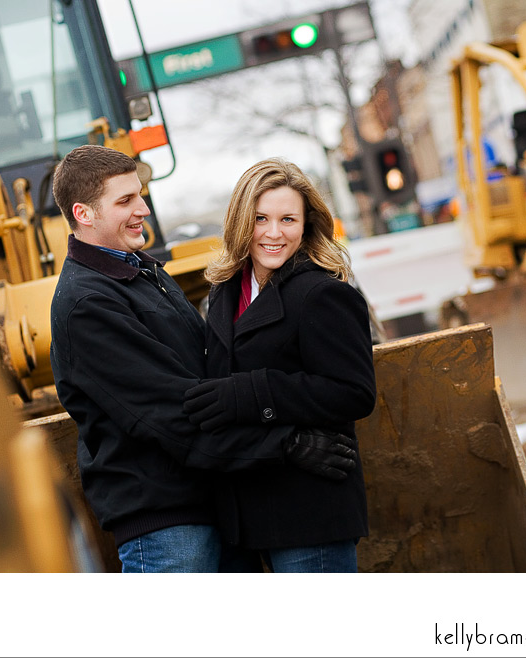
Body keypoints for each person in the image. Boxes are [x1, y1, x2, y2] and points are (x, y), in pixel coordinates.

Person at [48, 145, 358, 573]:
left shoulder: (143, 274)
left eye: (140, 195)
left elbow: (210, 377)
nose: (143, 209)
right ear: (83, 214)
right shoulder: (88, 304)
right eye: (125, 201)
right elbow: (170, 414)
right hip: (165, 524)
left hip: (216, 505)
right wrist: (284, 445)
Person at [183, 158, 377, 573]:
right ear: (240, 222)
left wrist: (253, 392)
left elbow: (354, 392)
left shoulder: (323, 293)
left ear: (306, 225)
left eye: (288, 219)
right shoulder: (223, 293)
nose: (274, 233)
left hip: (309, 514)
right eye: (261, 219)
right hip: (244, 517)